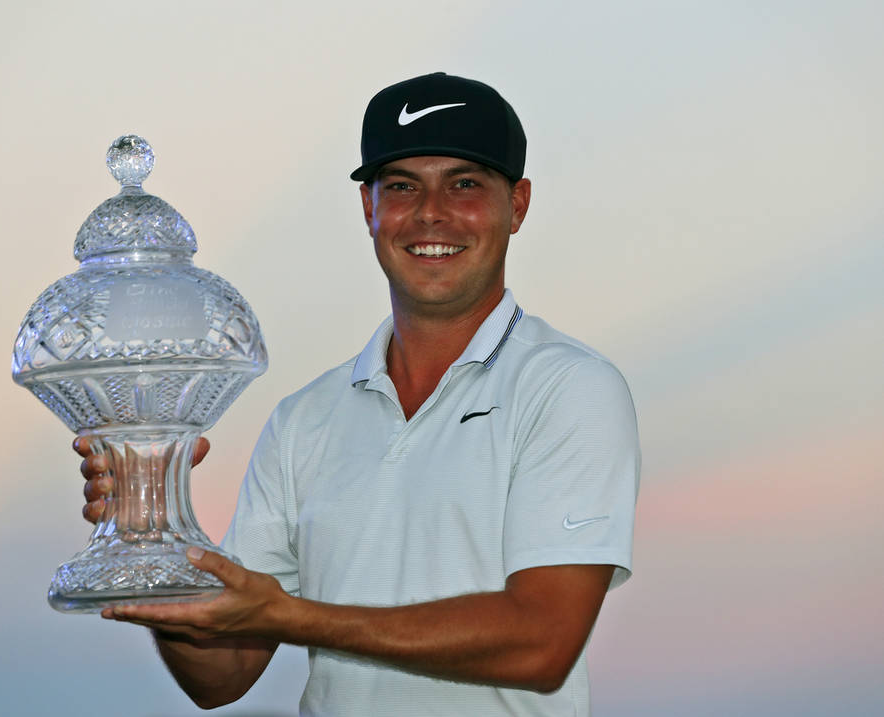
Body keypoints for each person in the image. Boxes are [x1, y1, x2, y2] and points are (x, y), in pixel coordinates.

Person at [76, 72, 640, 716]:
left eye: (465, 184)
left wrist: (292, 616)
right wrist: (153, 533)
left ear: (517, 205)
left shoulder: (568, 387)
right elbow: (220, 677)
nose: (431, 213)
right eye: (402, 186)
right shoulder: (303, 419)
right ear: (369, 208)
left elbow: (541, 645)